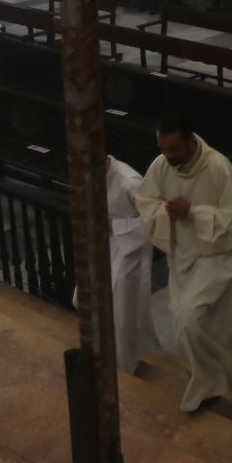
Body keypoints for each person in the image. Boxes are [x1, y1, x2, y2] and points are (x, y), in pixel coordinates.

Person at [135, 115, 232, 411]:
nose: (169, 157)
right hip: (184, 256)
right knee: (182, 326)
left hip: (218, 257)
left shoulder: (219, 168)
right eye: (164, 149)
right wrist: (166, 213)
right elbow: (146, 203)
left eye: (174, 150)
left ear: (191, 141)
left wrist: (193, 213)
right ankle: (210, 381)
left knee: (190, 321)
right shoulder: (161, 166)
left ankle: (221, 378)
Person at [96, 154, 158, 372]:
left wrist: (114, 226)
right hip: (107, 244)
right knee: (92, 300)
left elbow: (152, 219)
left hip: (130, 248)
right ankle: (105, 355)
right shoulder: (91, 175)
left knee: (124, 312)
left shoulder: (130, 181)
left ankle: (126, 366)